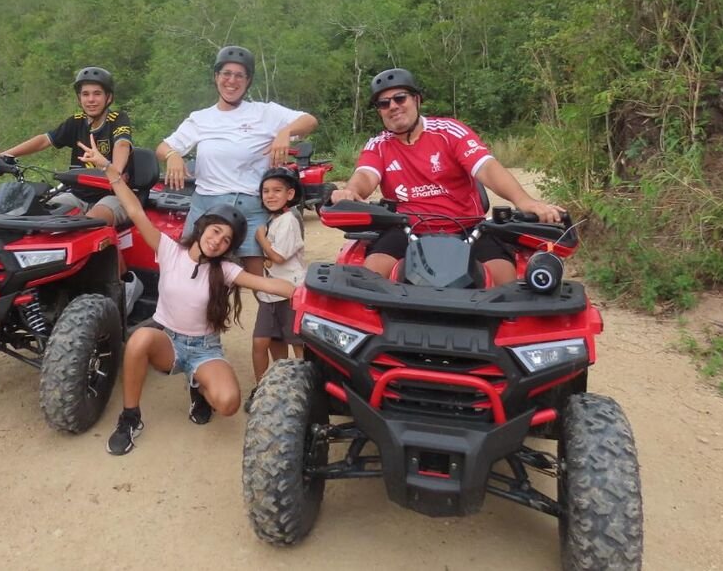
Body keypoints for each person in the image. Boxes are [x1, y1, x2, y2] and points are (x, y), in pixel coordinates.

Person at [77, 136, 295, 456]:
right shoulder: (170, 251)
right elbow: (135, 210)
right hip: (169, 343)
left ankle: (198, 385)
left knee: (229, 403)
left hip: (205, 348)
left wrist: (303, 290)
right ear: (204, 226)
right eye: (216, 231)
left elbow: (271, 285)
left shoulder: (227, 271)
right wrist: (107, 167)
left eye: (226, 240)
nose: (218, 241)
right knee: (139, 340)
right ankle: (130, 417)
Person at [329, 68, 566, 287]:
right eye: (383, 103)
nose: (393, 106)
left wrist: (524, 201)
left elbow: (486, 168)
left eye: (400, 98)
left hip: (468, 227)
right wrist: (351, 191)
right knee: (371, 275)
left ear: (416, 100)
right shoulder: (378, 145)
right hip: (405, 227)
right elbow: (365, 175)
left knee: (504, 278)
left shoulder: (449, 131)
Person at [156, 45, 318, 281]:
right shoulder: (200, 118)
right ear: (216, 77)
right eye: (226, 74)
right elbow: (163, 147)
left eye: (239, 75)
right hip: (206, 206)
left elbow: (309, 120)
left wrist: (286, 131)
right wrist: (172, 156)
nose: (232, 81)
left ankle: (264, 318)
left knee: (259, 282)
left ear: (248, 81)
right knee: (190, 275)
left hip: (250, 206)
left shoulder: (265, 112)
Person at [0, 66, 131, 226]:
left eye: (97, 94)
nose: (91, 100)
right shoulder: (76, 121)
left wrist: (115, 172)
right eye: (85, 94)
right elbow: (44, 140)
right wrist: (4, 156)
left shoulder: (118, 119)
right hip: (76, 195)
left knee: (91, 224)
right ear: (79, 98)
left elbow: (122, 144)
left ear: (108, 97)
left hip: (114, 196)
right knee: (40, 217)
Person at [248, 165, 306, 411]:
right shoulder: (273, 220)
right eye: (265, 191)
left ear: (290, 194)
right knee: (263, 342)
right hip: (269, 293)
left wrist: (261, 239)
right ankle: (263, 389)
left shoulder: (289, 220)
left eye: (277, 190)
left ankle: (304, 388)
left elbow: (279, 257)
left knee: (297, 343)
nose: (270, 195)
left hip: (290, 292)